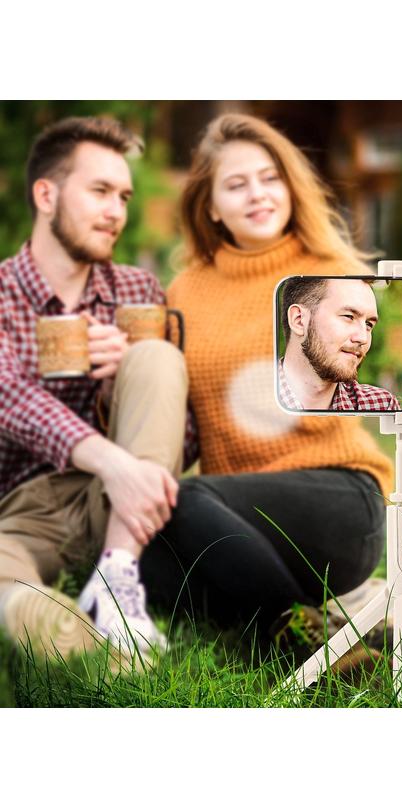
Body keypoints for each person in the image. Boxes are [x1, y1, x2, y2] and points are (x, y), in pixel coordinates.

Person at [139, 113, 394, 648]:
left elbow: (354, 371)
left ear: (290, 185)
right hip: (232, 519)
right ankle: (288, 618)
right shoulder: (186, 289)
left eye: (269, 177)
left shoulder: (327, 269)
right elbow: (188, 422)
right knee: (144, 568)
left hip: (336, 499)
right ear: (209, 205)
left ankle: (302, 640)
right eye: (236, 184)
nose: (257, 194)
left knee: (185, 502)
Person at [0, 117, 195, 658]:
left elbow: (185, 434)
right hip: (21, 512)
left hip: (119, 514)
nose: (117, 211)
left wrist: (120, 384)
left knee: (155, 356)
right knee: (11, 609)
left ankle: (116, 579)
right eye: (101, 191)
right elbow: (9, 395)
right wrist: (117, 463)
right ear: (46, 194)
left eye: (125, 196)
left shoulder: (136, 290)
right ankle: (110, 654)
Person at [279, 276, 400, 411]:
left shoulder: (381, 406)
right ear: (299, 320)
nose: (363, 338)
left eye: (368, 324)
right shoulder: (253, 404)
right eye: (349, 317)